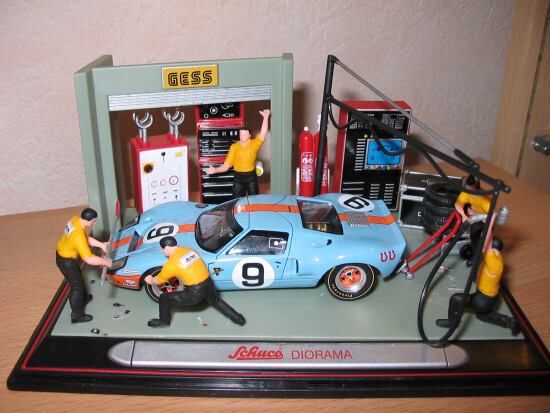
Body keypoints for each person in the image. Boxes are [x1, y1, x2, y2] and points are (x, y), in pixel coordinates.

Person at [144, 236, 246, 328]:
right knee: (216, 301)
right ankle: (239, 319)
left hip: (195, 292)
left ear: (166, 247)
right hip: (208, 283)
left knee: (164, 298)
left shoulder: (171, 264)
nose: (162, 251)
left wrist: (150, 280)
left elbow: (158, 281)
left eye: (162, 248)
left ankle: (164, 321)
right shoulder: (189, 251)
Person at [436, 236, 520, 335]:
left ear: (492, 249)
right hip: (489, 296)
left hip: (483, 298)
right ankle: (510, 322)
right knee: (482, 315)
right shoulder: (498, 258)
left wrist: (489, 227)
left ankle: (452, 322)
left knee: (456, 299)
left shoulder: (493, 262)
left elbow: (487, 244)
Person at [56, 208, 112, 323]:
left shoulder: (75, 220)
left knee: (79, 280)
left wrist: (101, 245)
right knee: (77, 286)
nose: (94, 223)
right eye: (94, 221)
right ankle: (77, 316)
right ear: (89, 220)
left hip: (64, 253)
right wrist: (106, 262)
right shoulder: (78, 236)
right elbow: (89, 258)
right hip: (66, 261)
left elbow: (85, 238)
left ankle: (83, 298)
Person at [206, 109, 270, 198]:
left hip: (251, 177)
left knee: (254, 199)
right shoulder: (234, 147)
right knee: (236, 199)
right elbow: (226, 166)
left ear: (249, 136)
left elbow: (263, 132)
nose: (242, 136)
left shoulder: (254, 144)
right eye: (240, 134)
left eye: (244, 134)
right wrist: (215, 170)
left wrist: (266, 117)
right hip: (238, 178)